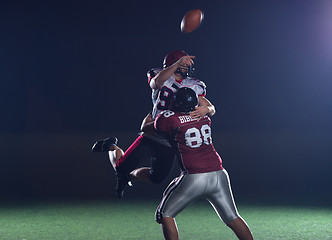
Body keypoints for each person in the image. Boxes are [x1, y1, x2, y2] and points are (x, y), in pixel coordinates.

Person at [92, 50, 216, 198]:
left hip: (170, 140)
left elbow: (211, 108)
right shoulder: (161, 76)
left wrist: (206, 109)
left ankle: (128, 177)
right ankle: (111, 146)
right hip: (152, 134)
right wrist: (177, 63)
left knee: (156, 178)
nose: (187, 68)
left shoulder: (194, 84)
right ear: (173, 64)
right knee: (120, 167)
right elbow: (155, 83)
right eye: (183, 65)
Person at [154, 87, 254, 240]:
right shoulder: (205, 116)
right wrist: (206, 108)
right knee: (232, 217)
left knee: (165, 214)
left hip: (194, 177)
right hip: (219, 174)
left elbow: (156, 125)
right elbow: (209, 109)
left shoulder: (169, 119)